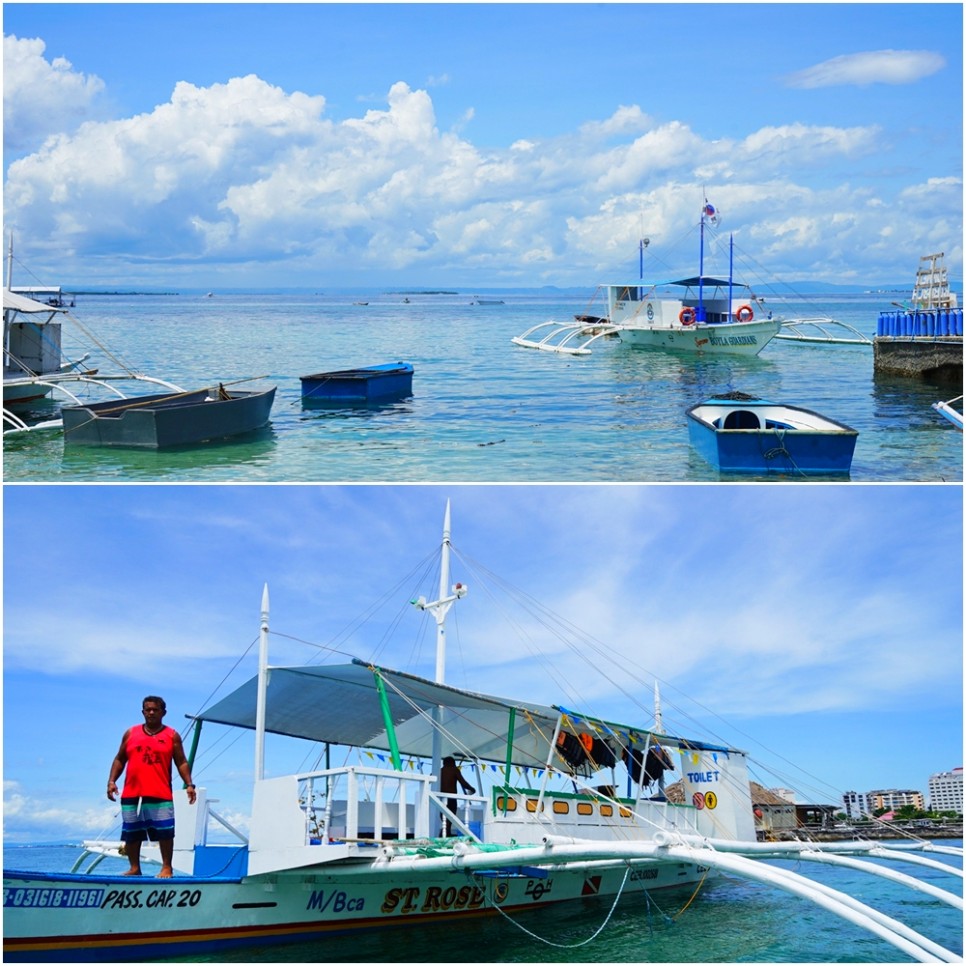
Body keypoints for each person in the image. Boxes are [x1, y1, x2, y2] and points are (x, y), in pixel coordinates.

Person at [107, 695, 196, 878]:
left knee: (164, 831)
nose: (151, 713)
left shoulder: (171, 735)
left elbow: (181, 762)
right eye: (148, 709)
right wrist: (111, 781)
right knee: (131, 830)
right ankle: (134, 868)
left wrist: (189, 784)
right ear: (143, 712)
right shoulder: (131, 733)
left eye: (155, 709)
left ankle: (166, 867)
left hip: (159, 792)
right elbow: (120, 758)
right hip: (132, 791)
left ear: (163, 712)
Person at [439, 756, 475, 836]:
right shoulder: (454, 770)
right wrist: (472, 789)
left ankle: (445, 835)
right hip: (451, 798)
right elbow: (463, 783)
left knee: (445, 820)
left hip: (441, 798)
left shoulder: (439, 771)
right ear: (452, 763)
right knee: (450, 819)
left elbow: (431, 777)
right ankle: (443, 836)